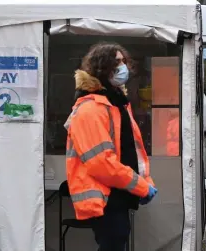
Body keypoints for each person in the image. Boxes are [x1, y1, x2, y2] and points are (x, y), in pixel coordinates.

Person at [64, 42, 157, 251]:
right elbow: (101, 163)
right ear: (101, 68)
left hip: (116, 195)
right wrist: (142, 186)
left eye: (124, 61)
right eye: (117, 62)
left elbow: (131, 152)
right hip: (106, 197)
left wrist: (144, 182)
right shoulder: (92, 109)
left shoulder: (116, 104)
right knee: (113, 243)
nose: (123, 66)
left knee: (115, 242)